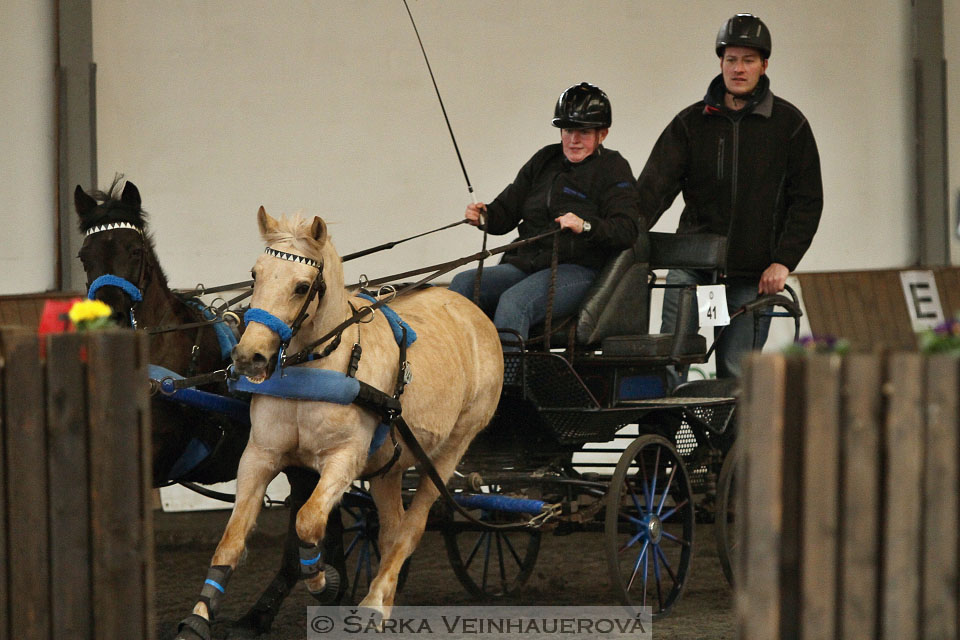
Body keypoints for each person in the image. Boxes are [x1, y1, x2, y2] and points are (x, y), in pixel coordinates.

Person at [638, 14, 823, 378]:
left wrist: (783, 261)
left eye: (749, 60)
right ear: (721, 62)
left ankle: (727, 438)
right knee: (669, 361)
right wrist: (624, 240)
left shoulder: (790, 126)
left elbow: (807, 201)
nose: (739, 69)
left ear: (764, 65)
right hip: (691, 267)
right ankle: (663, 434)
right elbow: (651, 192)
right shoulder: (690, 124)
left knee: (736, 374)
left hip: (752, 276)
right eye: (731, 59)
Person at [448, 82, 640, 345]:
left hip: (577, 269)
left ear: (602, 134)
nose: (574, 140)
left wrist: (585, 226)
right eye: (568, 130)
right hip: (526, 264)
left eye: (583, 132)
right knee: (462, 286)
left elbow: (626, 230)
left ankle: (508, 384)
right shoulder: (544, 160)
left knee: (516, 302)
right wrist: (485, 215)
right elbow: (507, 211)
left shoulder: (614, 168)